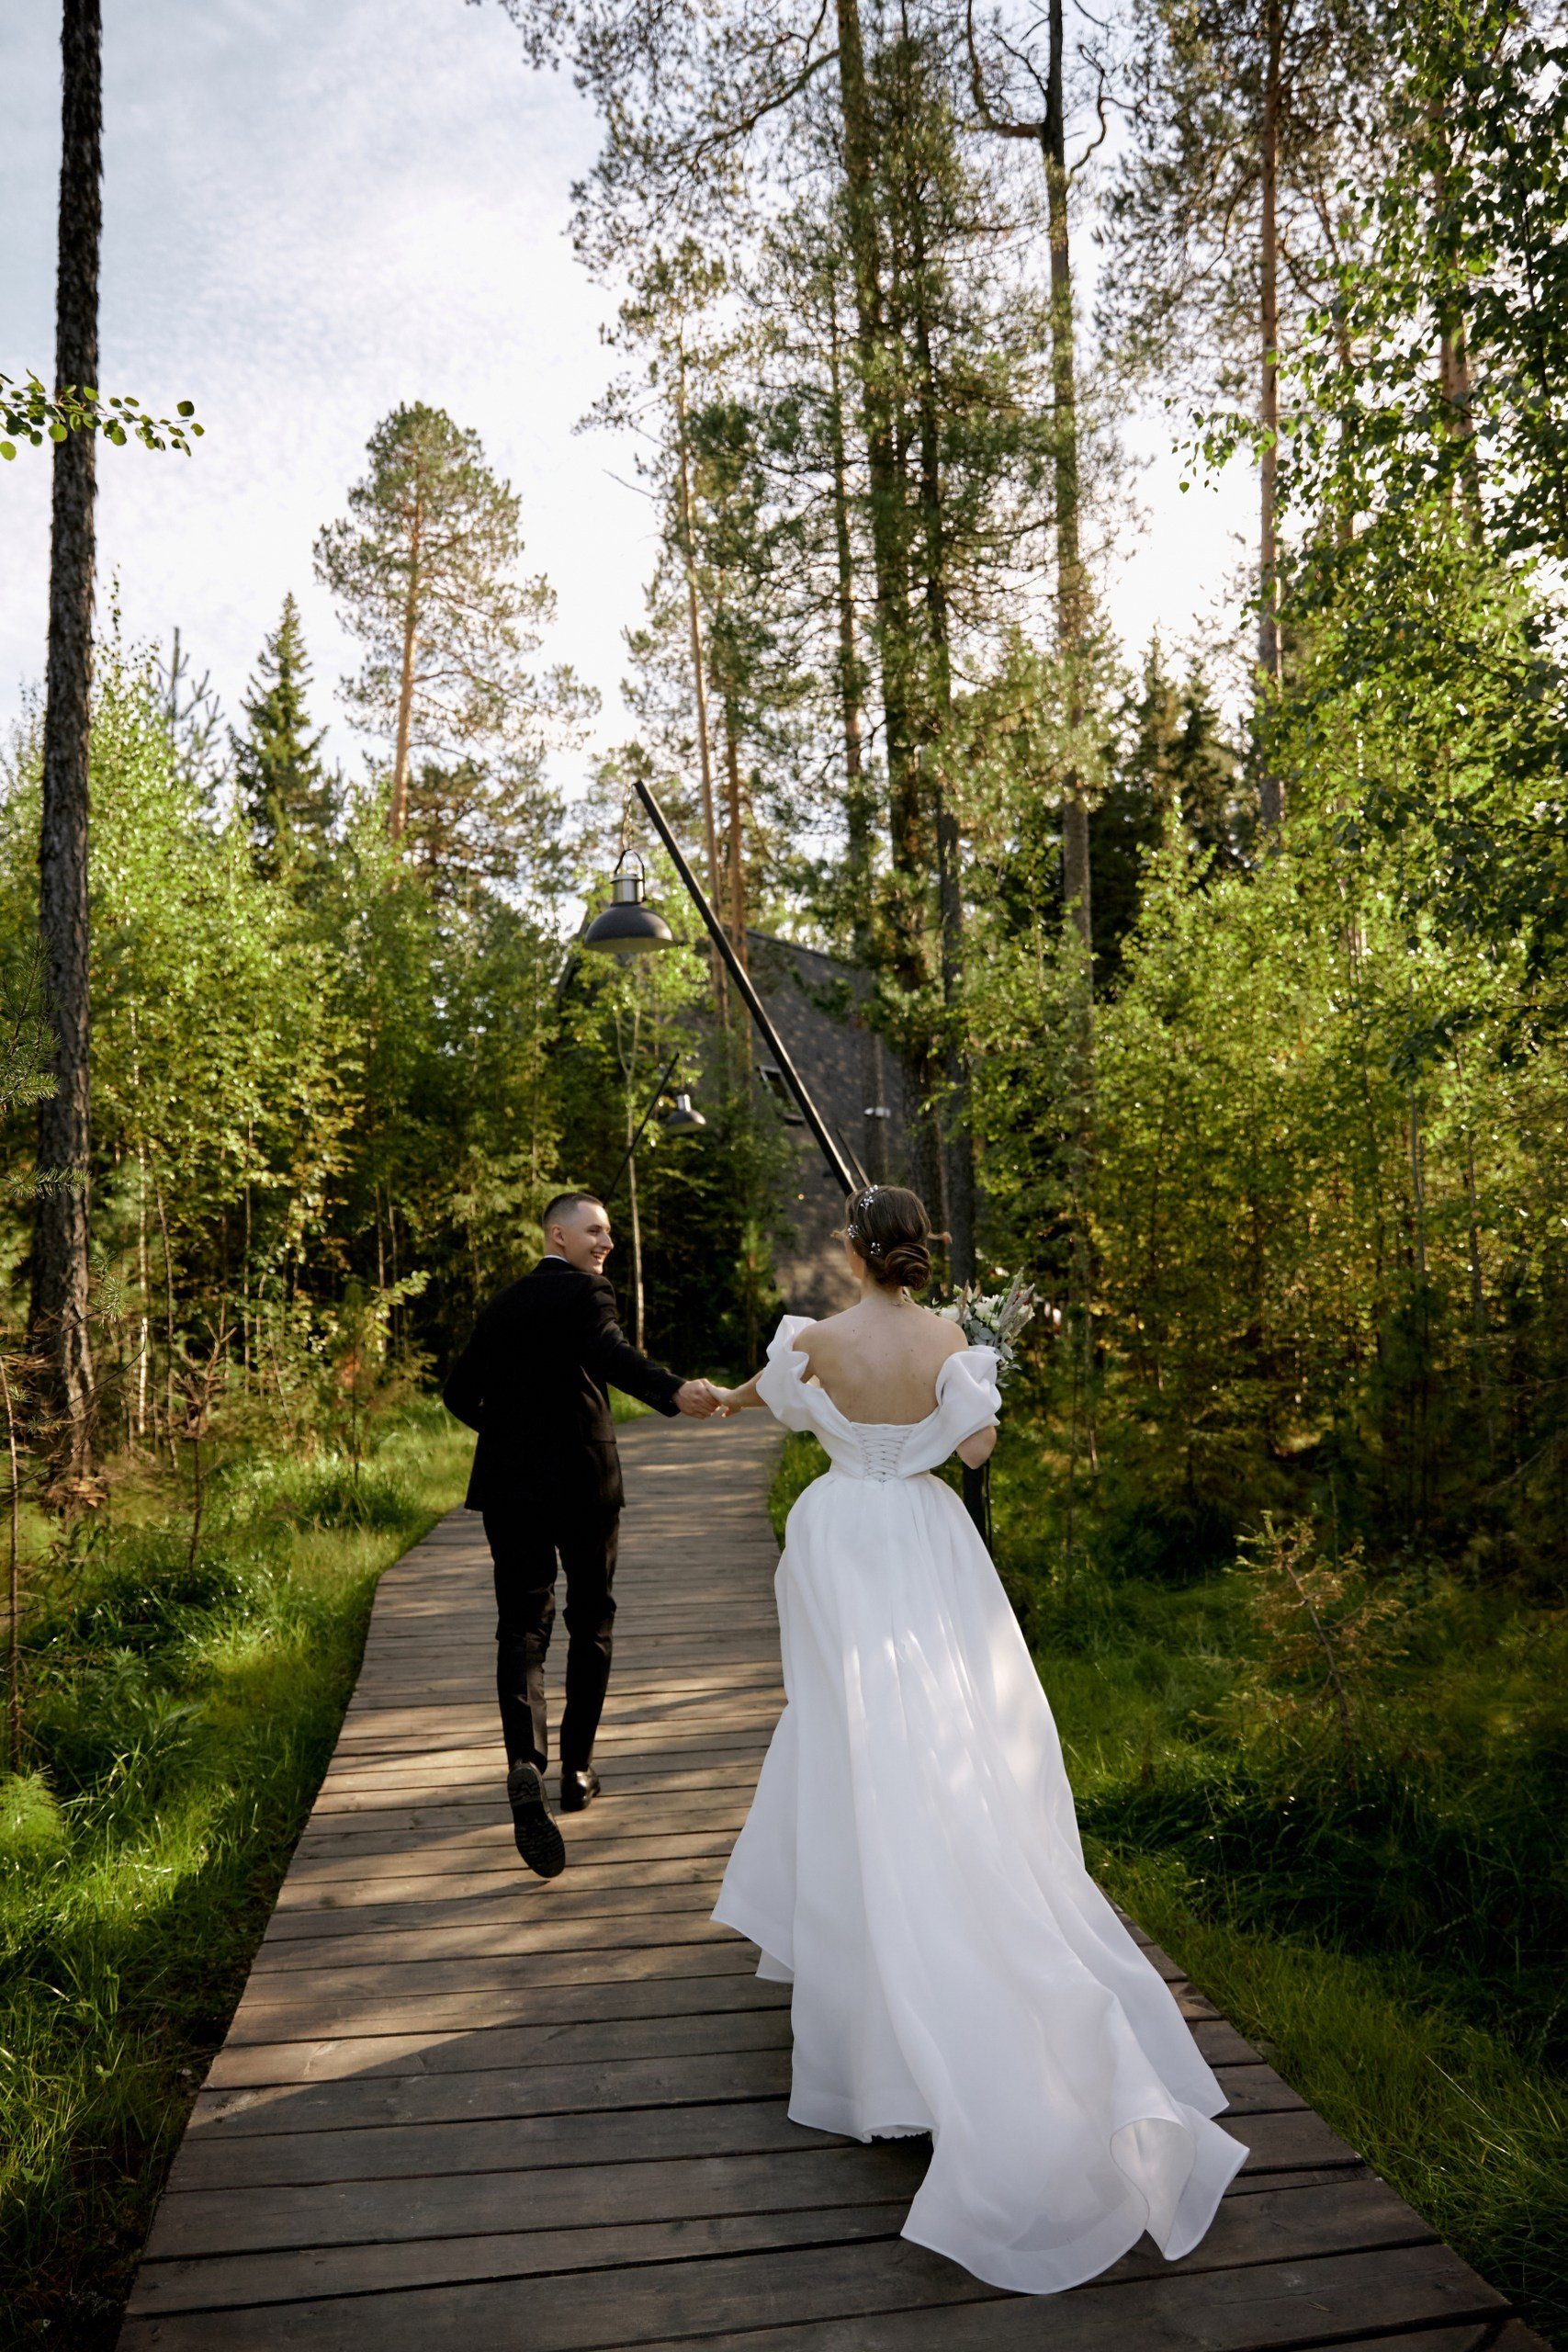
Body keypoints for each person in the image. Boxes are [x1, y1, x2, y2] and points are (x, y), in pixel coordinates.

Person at [710, 1183, 1247, 2295]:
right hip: (926, 1536)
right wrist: (968, 1376)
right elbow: (981, 1452)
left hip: (838, 1537)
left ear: (855, 1251)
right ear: (918, 1252)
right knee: (948, 1731)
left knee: (850, 1738)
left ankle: (872, 2011)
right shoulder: (955, 1336)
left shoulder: (810, 1339)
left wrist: (769, 1398)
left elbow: (778, 1406)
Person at [444, 1191, 719, 1878]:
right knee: (590, 1618)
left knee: (521, 1627)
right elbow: (611, 1354)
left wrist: (510, 1439)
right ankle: (577, 1770)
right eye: (595, 1231)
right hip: (583, 1483)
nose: (607, 1244)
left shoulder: (503, 1303)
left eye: (608, 1233)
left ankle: (524, 1763)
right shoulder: (588, 1296)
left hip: (509, 1488)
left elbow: (456, 1394)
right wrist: (674, 1390)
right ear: (557, 1234)